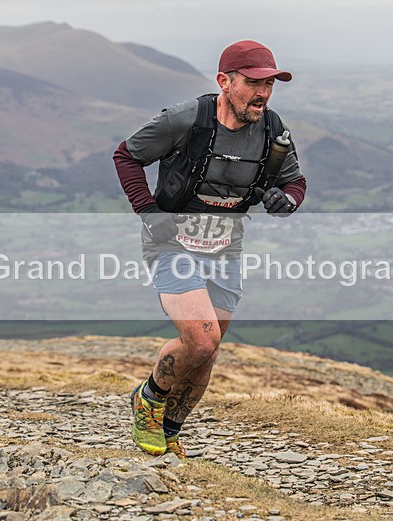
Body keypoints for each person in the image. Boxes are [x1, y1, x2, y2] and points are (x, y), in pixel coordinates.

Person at [113, 40, 306, 458]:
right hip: (172, 244)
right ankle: (147, 398)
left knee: (210, 349)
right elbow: (126, 155)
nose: (264, 93)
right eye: (254, 83)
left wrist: (286, 201)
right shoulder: (185, 119)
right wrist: (148, 211)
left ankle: (169, 430)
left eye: (270, 83)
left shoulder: (273, 130)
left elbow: (295, 183)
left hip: (225, 248)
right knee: (199, 340)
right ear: (225, 81)